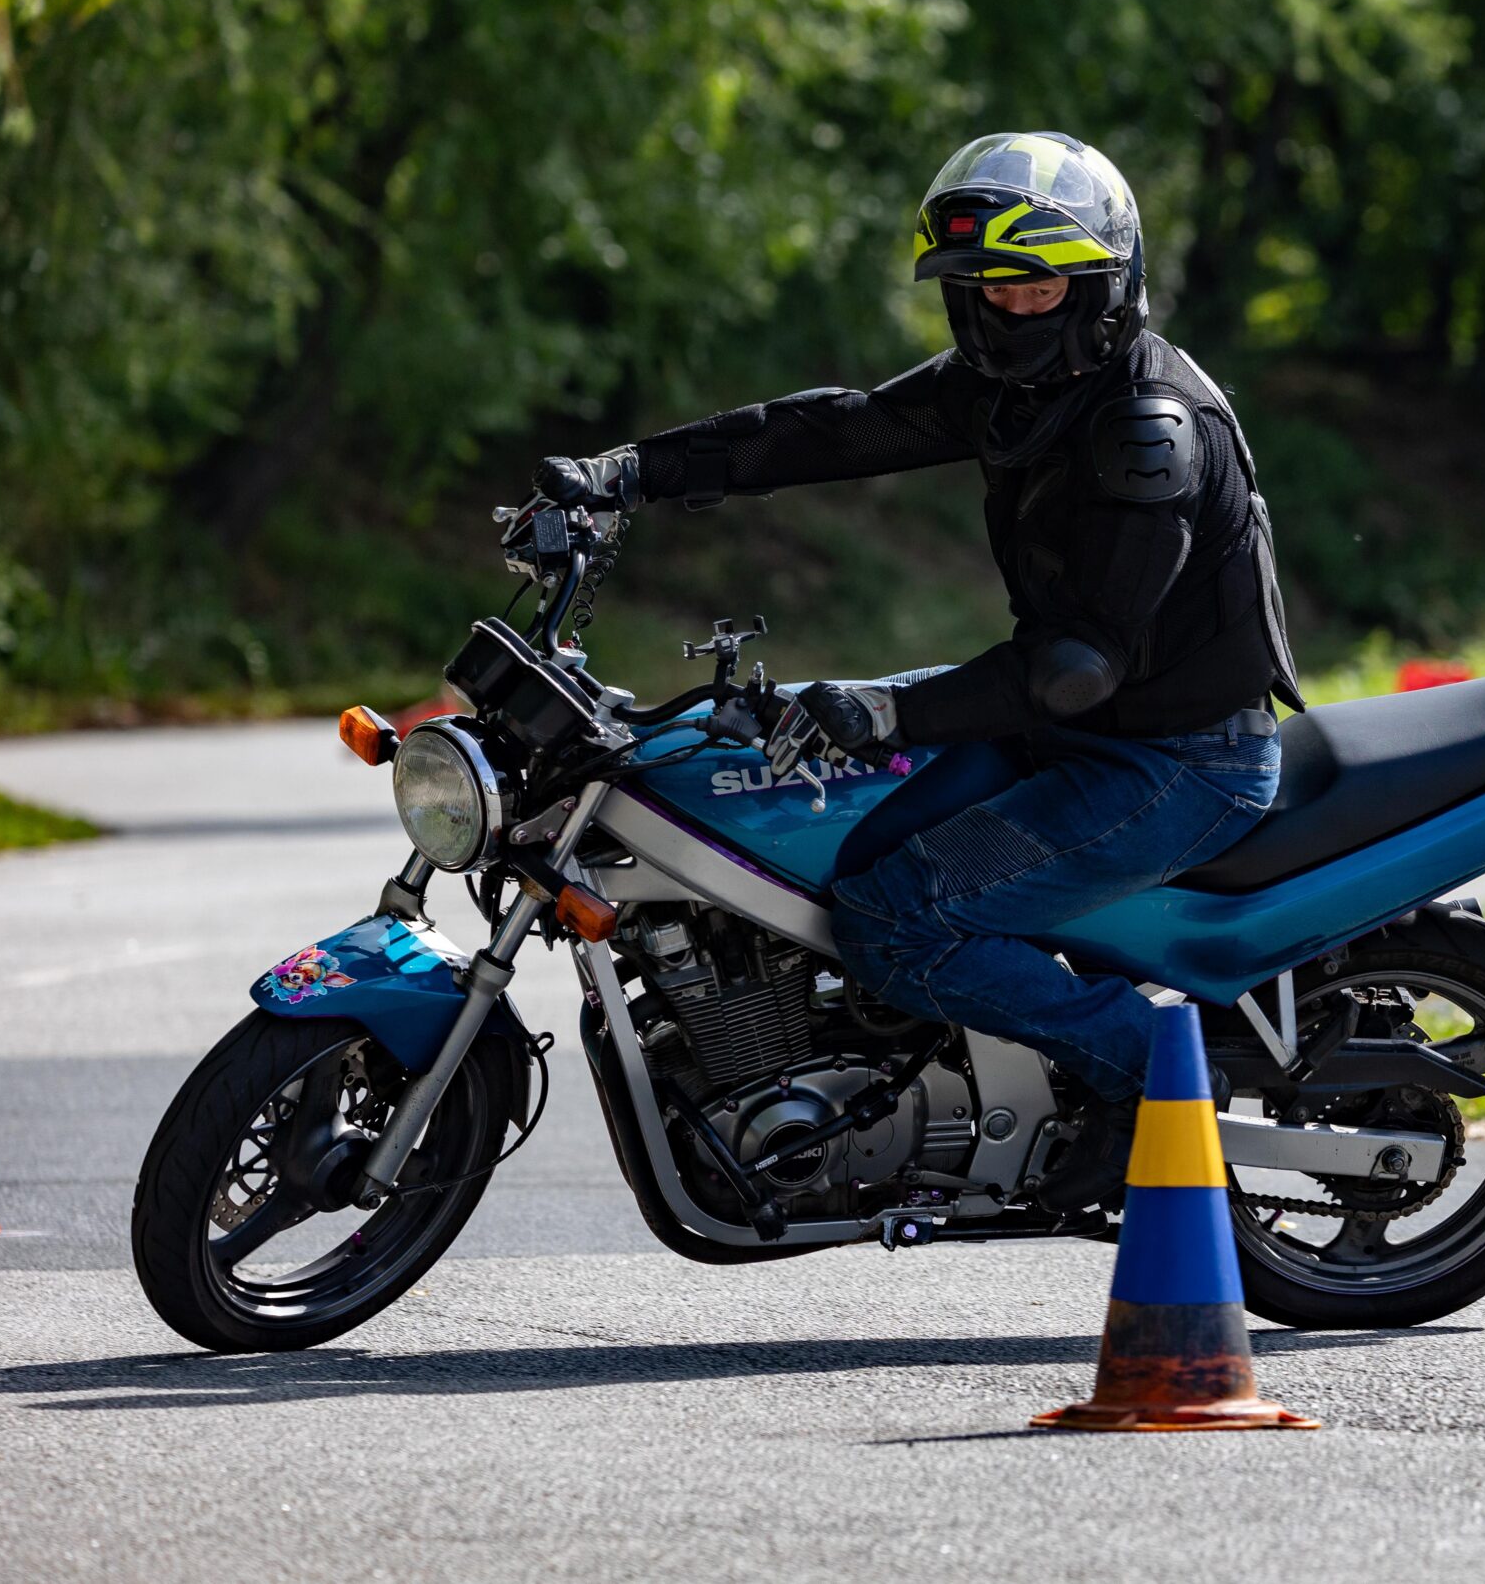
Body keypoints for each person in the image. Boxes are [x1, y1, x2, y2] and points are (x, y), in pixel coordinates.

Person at [536, 131, 1301, 1210]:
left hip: (1174, 758)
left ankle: (1152, 1082)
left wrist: (892, 711)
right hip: (1069, 723)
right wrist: (631, 471)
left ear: (1103, 285)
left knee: (896, 916)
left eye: (1034, 287)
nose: (1006, 312)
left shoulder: (1147, 432)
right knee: (806, 795)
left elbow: (1076, 665)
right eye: (984, 289)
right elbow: (839, 430)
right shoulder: (1017, 389)